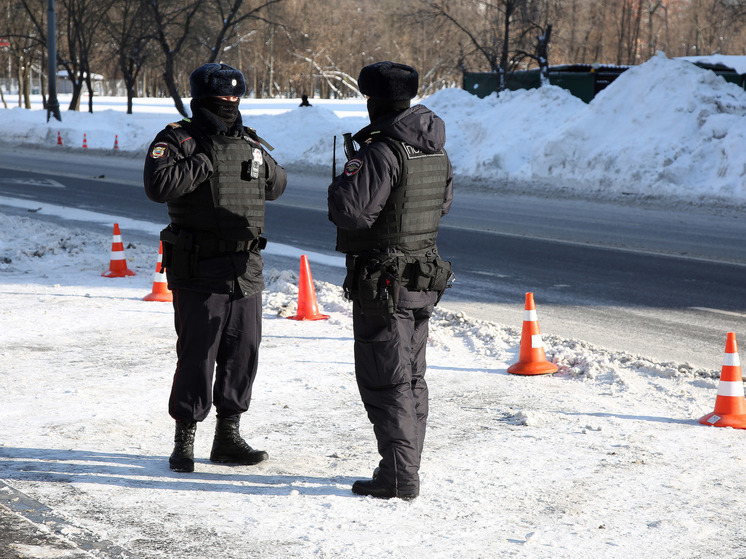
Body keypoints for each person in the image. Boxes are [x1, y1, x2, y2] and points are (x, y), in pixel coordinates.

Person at [143, 63, 287, 473]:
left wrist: (256, 160)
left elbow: (277, 186)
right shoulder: (178, 139)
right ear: (202, 99)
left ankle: (228, 436)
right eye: (222, 99)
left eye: (235, 98)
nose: (229, 104)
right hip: (199, 266)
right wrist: (207, 161)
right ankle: (184, 440)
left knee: (243, 353)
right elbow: (158, 186)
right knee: (197, 355)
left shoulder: (249, 141)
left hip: (246, 267)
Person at [327, 61, 454, 500]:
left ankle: (399, 475)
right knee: (412, 376)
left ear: (374, 101)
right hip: (423, 276)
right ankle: (405, 466)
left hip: (385, 284)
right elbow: (443, 205)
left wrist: (342, 181)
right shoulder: (434, 148)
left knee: (386, 379)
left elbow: (352, 212)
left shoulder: (381, 150)